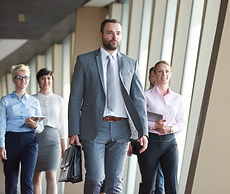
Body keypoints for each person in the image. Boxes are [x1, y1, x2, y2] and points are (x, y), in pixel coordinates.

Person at [68, 18, 148, 194]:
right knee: (96, 179)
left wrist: (143, 132)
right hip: (94, 127)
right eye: (110, 32)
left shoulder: (131, 63)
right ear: (101, 35)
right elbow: (75, 98)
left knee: (115, 183)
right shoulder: (85, 61)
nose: (114, 37)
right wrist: (73, 130)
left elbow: (139, 100)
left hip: (122, 128)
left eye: (118, 33)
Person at [128, 60, 186, 194]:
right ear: (154, 75)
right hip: (150, 142)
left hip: (170, 143)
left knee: (171, 182)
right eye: (160, 71)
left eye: (166, 71)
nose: (163, 74)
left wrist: (170, 129)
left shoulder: (178, 98)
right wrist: (153, 125)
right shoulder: (145, 96)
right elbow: (137, 120)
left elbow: (181, 122)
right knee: (148, 184)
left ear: (170, 74)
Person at [0, 64, 44, 194]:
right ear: (13, 80)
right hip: (11, 141)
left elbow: (40, 128)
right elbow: (0, 125)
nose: (23, 80)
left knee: (27, 181)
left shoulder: (34, 102)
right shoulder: (5, 101)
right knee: (11, 181)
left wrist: (35, 125)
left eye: (26, 77)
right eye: (19, 77)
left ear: (29, 80)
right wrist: (1, 146)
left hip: (30, 141)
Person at [33, 68, 67, 194]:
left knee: (51, 176)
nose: (46, 81)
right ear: (38, 81)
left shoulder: (59, 100)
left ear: (52, 80)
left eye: (49, 78)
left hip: (54, 141)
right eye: (43, 78)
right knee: (36, 177)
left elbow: (62, 123)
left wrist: (64, 146)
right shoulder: (32, 99)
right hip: (36, 140)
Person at [148, 66, 164, 194]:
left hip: (163, 141)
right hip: (147, 140)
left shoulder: (167, 98)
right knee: (149, 178)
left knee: (159, 178)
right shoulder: (144, 97)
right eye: (155, 75)